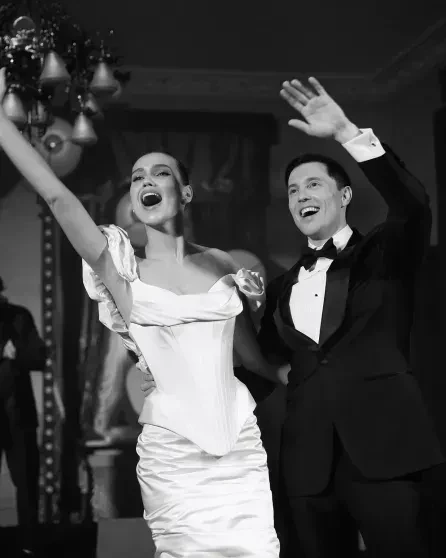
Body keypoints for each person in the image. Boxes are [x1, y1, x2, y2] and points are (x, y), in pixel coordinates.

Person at [0, 67, 281, 557]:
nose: (145, 180)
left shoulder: (222, 263)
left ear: (186, 192)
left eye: (160, 172)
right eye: (136, 177)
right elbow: (57, 195)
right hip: (173, 452)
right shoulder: (119, 267)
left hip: (240, 445)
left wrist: (310, 370)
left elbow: (252, 359)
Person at [257, 77, 444, 557]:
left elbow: (413, 204)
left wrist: (346, 132)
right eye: (293, 190)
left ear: (343, 196)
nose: (301, 195)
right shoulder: (279, 289)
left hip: (386, 451)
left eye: (313, 184)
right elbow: (262, 366)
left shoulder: (384, 253)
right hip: (307, 466)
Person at [0, 277, 46, 557]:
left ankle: (29, 544)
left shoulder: (19, 317)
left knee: (27, 482)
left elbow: (39, 358)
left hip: (20, 415)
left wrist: (16, 353)